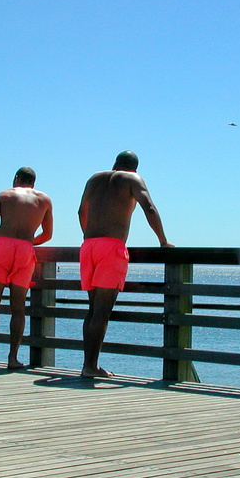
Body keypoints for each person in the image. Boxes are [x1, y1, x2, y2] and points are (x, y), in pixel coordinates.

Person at [78, 150, 173, 378]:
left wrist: (88, 236)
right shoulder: (132, 179)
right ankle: (90, 367)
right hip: (112, 248)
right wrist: (163, 241)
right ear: (135, 168)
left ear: (115, 163)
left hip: (89, 245)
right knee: (101, 312)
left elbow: (81, 210)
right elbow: (148, 207)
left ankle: (88, 365)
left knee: (92, 311)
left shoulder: (94, 178)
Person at [0, 167, 53, 370]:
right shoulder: (44, 199)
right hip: (25, 249)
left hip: (1, 247)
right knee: (18, 309)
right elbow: (48, 234)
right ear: (33, 183)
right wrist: (28, 242)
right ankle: (13, 358)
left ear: (16, 179)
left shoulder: (5, 194)